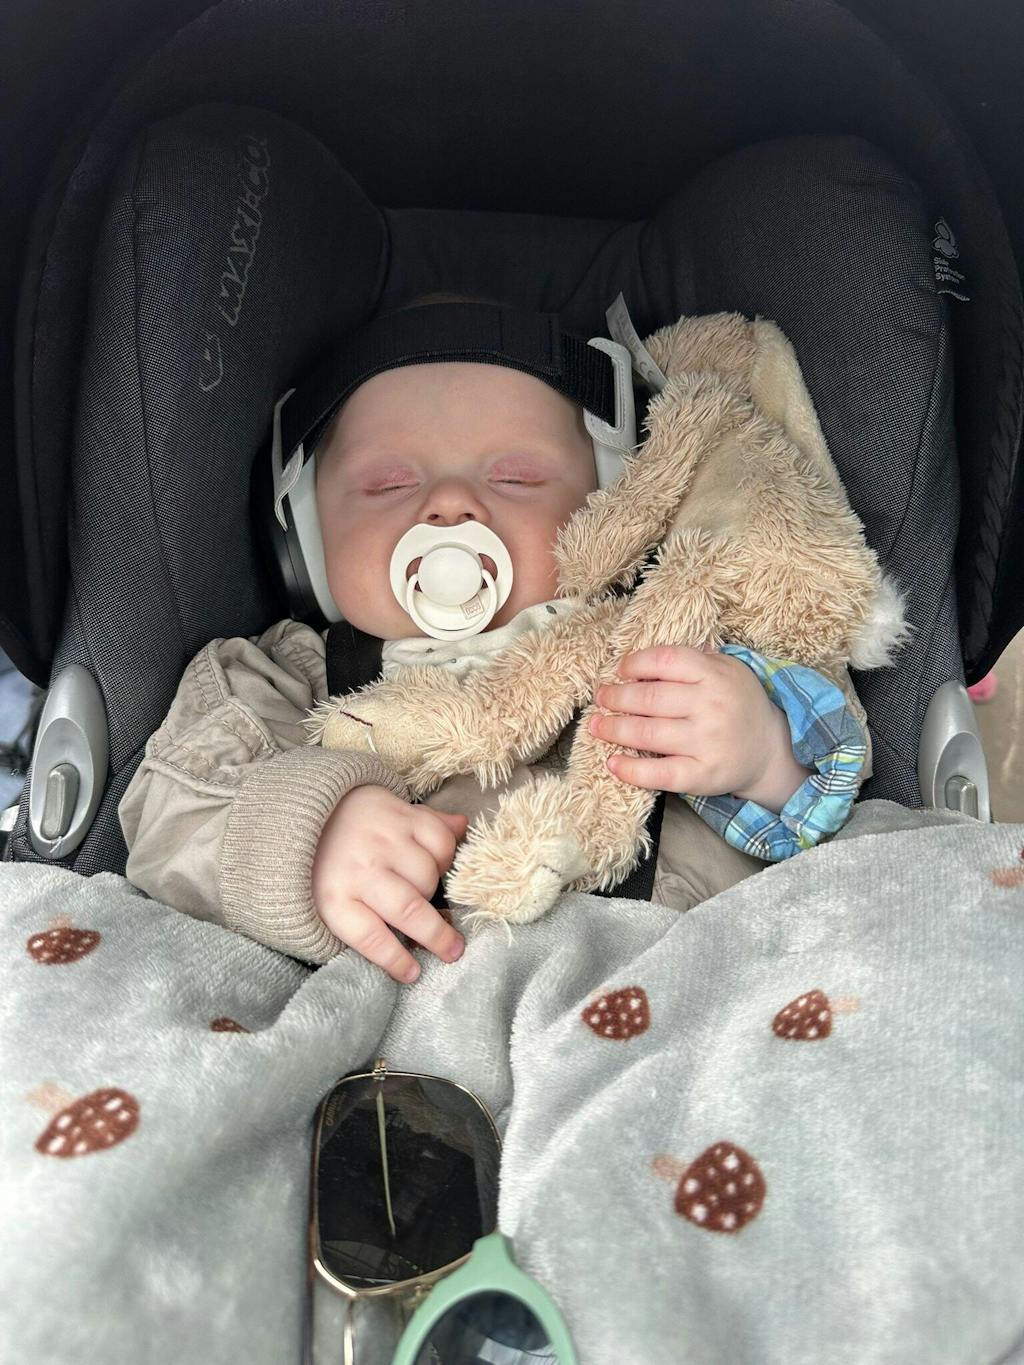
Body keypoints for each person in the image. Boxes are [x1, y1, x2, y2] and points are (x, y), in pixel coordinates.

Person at [118, 294, 871, 984]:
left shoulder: (668, 644)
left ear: (611, 508)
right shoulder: (281, 677)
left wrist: (763, 754)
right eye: (387, 485)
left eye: (515, 478)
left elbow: (828, 794)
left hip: (654, 995)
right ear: (306, 543)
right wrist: (306, 838)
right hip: (392, 1036)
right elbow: (173, 810)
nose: (449, 504)